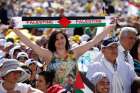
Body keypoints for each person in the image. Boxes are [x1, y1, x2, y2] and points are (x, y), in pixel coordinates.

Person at [13, 25, 114, 91]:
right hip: (55, 91)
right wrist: (16, 30)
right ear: (53, 42)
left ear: (66, 39)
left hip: (75, 90)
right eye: (56, 39)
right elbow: (31, 45)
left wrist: (110, 27)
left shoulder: (73, 53)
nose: (60, 41)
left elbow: (93, 41)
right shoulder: (49, 55)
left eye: (62, 38)